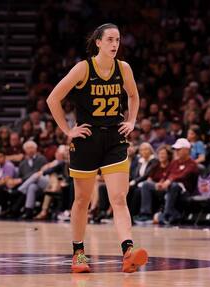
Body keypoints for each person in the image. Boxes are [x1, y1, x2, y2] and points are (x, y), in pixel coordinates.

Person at [46, 23, 148, 273]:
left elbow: (133, 96)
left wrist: (132, 120)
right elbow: (53, 98)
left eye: (118, 40)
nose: (115, 44)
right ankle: (78, 254)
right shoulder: (83, 68)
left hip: (115, 138)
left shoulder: (123, 68)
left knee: (118, 199)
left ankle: (128, 253)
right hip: (86, 140)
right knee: (82, 200)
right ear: (98, 42)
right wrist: (68, 130)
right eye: (110, 39)